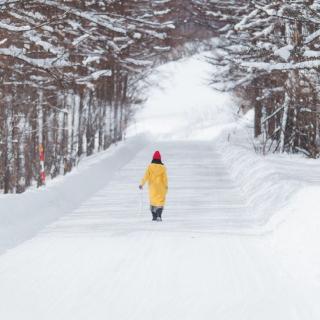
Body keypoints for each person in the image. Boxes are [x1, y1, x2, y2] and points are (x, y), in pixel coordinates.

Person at [139, 151, 168, 221]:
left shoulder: (150, 167)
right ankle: (159, 215)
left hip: (152, 187)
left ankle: (154, 216)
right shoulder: (163, 168)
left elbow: (145, 176)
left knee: (153, 201)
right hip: (161, 188)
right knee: (160, 202)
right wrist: (166, 187)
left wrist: (141, 184)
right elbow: (165, 178)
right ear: (160, 159)